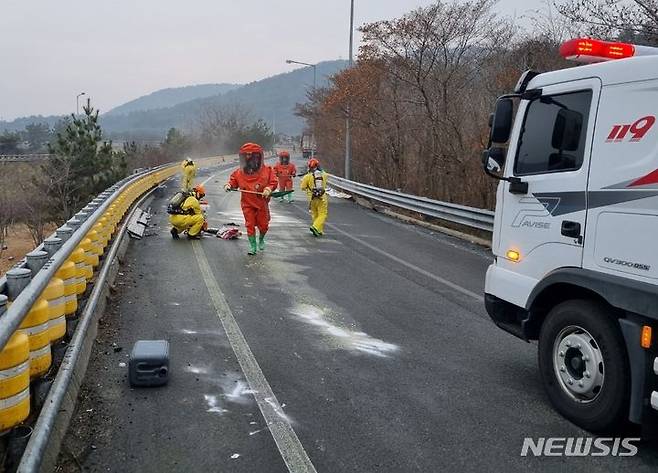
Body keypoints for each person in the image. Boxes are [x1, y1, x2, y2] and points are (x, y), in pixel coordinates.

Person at [224, 143, 277, 255]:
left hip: (261, 203)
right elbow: (233, 180)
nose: (250, 161)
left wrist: (268, 188)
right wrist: (229, 185)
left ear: (258, 157)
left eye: (253, 157)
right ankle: (252, 246)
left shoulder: (267, 171)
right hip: (247, 203)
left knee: (263, 225)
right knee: (250, 224)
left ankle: (261, 239)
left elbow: (273, 182)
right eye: (246, 157)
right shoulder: (239, 173)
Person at [300, 157, 328, 237]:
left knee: (315, 214)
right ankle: (315, 227)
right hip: (322, 198)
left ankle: (319, 230)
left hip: (311, 199)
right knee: (322, 214)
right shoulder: (324, 175)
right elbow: (325, 175)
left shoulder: (307, 177)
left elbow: (302, 187)